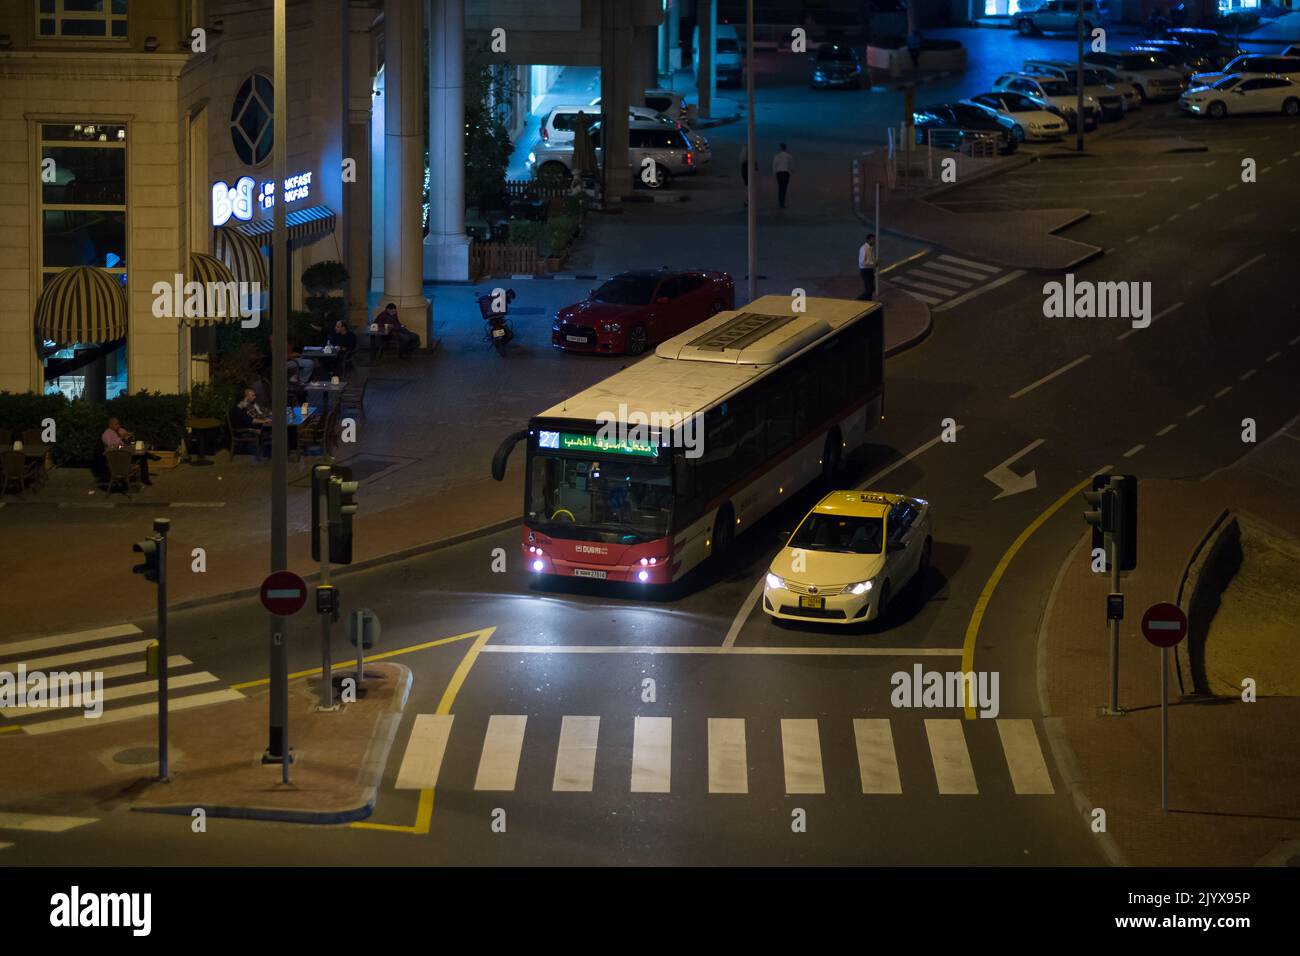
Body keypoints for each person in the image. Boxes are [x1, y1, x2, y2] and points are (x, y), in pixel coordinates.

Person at [101, 416, 157, 485]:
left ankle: (147, 458)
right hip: (116, 458)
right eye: (116, 424)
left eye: (118, 423)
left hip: (123, 452)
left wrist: (128, 435)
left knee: (141, 453)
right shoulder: (106, 434)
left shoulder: (118, 430)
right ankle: (149, 458)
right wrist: (121, 437)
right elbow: (111, 446)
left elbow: (125, 434)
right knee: (143, 457)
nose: (118, 425)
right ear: (110, 425)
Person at [772, 144, 794, 209]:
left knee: (780, 188)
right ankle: (782, 203)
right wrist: (791, 171)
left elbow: (774, 165)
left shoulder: (777, 156)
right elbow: (792, 165)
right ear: (785, 148)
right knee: (784, 188)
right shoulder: (789, 156)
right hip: (786, 173)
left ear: (780, 148)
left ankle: (780, 202)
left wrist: (774, 172)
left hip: (779, 173)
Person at [858, 233, 877, 301]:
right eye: (873, 240)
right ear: (868, 240)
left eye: (874, 239)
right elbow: (862, 262)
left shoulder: (871, 248)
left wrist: (874, 264)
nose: (874, 241)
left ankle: (868, 302)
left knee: (871, 288)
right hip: (865, 271)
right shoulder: (864, 248)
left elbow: (870, 259)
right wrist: (873, 263)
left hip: (870, 270)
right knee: (869, 289)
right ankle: (857, 300)